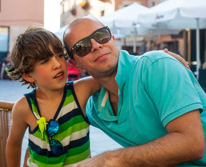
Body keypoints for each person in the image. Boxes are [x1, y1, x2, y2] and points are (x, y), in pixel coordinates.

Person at [63, 16, 206, 166]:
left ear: (112, 38)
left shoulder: (156, 66)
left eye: (101, 35)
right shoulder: (93, 108)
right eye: (82, 47)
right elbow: (49, 99)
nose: (96, 45)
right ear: (75, 63)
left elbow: (192, 144)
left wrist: (109, 160)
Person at [6, 25, 100, 167]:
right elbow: (13, 144)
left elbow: (108, 76)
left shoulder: (80, 91)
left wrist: (82, 62)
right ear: (28, 75)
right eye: (45, 61)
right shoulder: (24, 107)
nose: (57, 64)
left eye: (59, 55)